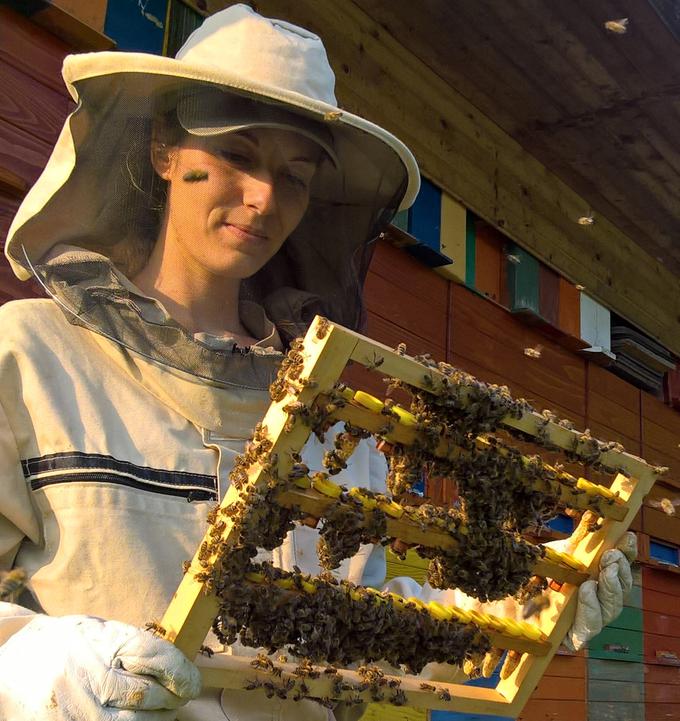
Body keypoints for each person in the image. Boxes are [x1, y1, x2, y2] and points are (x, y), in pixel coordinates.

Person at [0, 5, 634, 720]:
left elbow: (361, 626)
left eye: (294, 176)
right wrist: (35, 666)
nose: (264, 198)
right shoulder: (28, 358)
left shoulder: (329, 422)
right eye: (238, 153)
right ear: (165, 151)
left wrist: (526, 601)